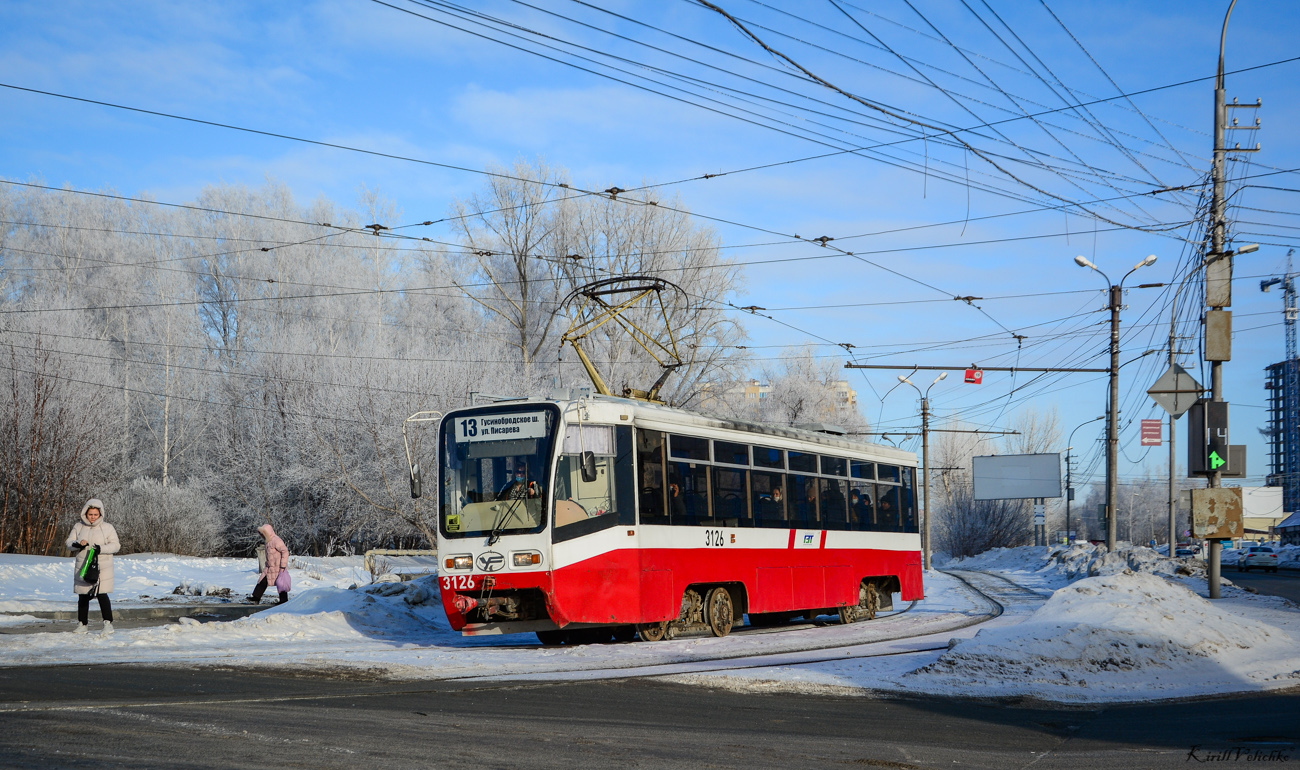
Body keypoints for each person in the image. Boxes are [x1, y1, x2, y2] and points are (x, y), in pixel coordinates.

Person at [66, 498, 120, 634]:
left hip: (103, 566)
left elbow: (116, 545)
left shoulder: (107, 527)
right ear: (85, 513)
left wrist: (101, 548)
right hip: (83, 565)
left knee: (102, 595)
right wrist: (78, 543)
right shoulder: (78, 526)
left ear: (100, 514)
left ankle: (108, 624)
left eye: (95, 515)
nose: (93, 517)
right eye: (90, 514)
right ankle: (82, 624)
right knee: (83, 595)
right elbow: (69, 542)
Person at [246, 524, 290, 605]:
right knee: (262, 581)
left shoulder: (276, 540)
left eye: (263, 533)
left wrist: (283, 565)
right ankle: (256, 598)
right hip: (269, 567)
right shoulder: (268, 542)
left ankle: (284, 601)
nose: (262, 535)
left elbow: (285, 551)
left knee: (281, 583)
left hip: (278, 567)